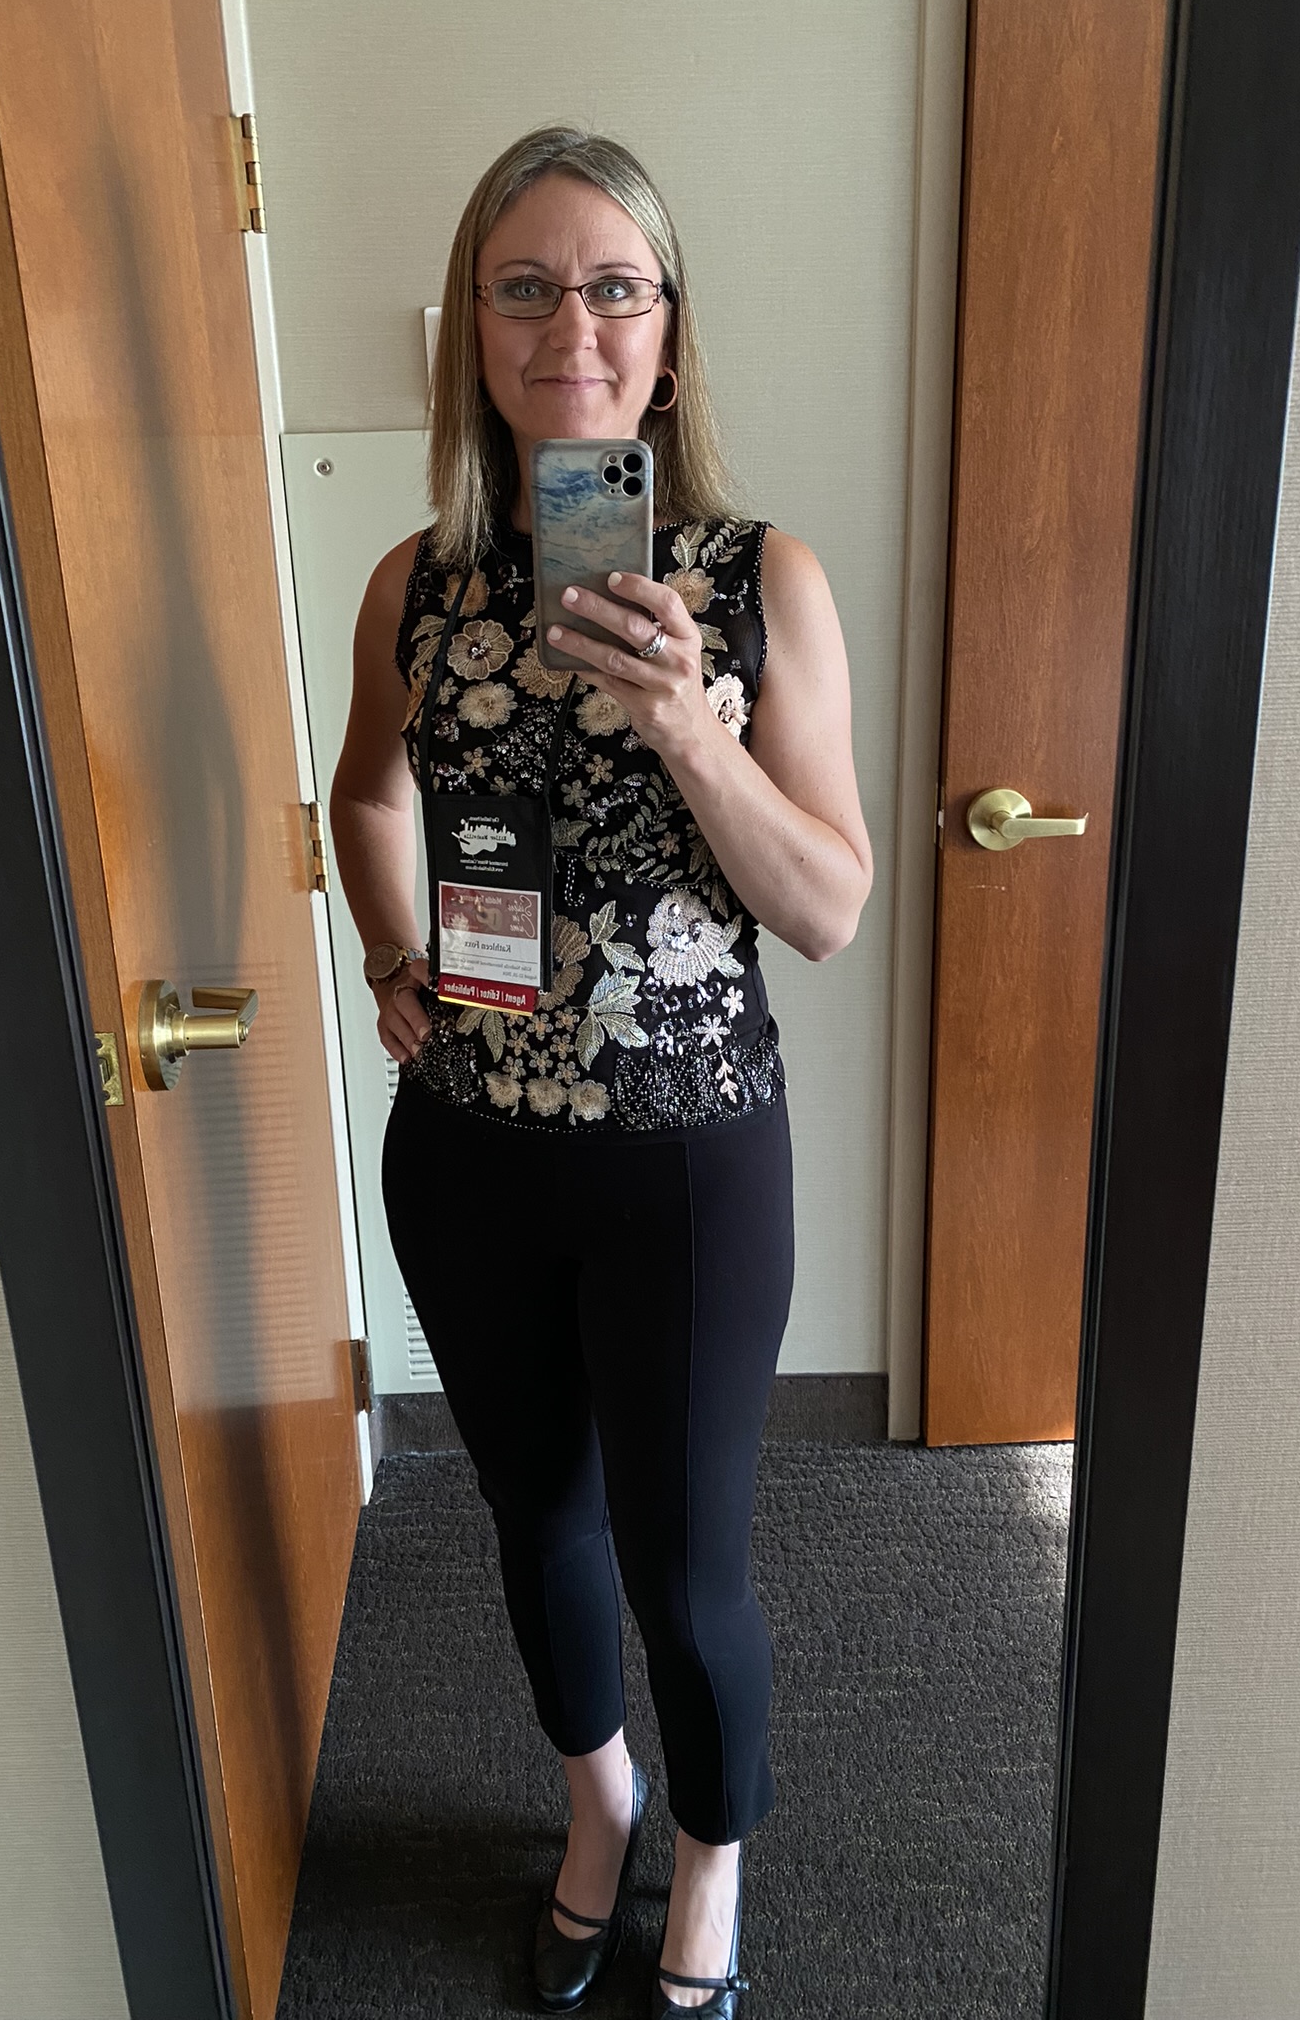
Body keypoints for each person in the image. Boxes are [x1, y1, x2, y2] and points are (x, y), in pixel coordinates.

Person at [331, 124, 872, 2018]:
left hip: (691, 1166)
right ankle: (596, 1801)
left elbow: (830, 905)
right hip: (468, 1150)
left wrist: (693, 739)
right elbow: (370, 790)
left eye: (613, 284)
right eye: (526, 284)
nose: (573, 321)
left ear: (666, 329)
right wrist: (396, 961)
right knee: (533, 1518)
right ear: (472, 329)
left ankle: (710, 1860)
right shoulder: (427, 576)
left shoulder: (756, 578)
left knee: (686, 1561)